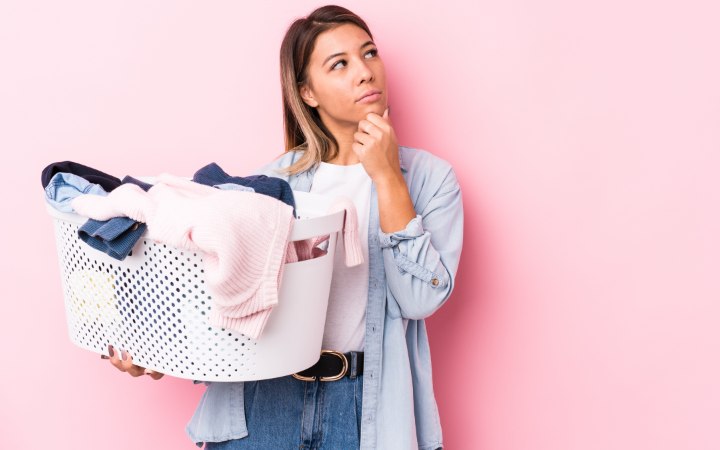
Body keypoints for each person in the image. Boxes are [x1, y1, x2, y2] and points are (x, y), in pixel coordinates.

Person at [103, 5, 463, 449]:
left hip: (363, 410)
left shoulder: (429, 180)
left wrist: (388, 177)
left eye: (369, 54)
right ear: (307, 93)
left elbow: (419, 298)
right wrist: (158, 353)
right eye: (340, 64)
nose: (365, 72)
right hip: (264, 399)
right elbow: (226, 296)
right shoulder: (269, 187)